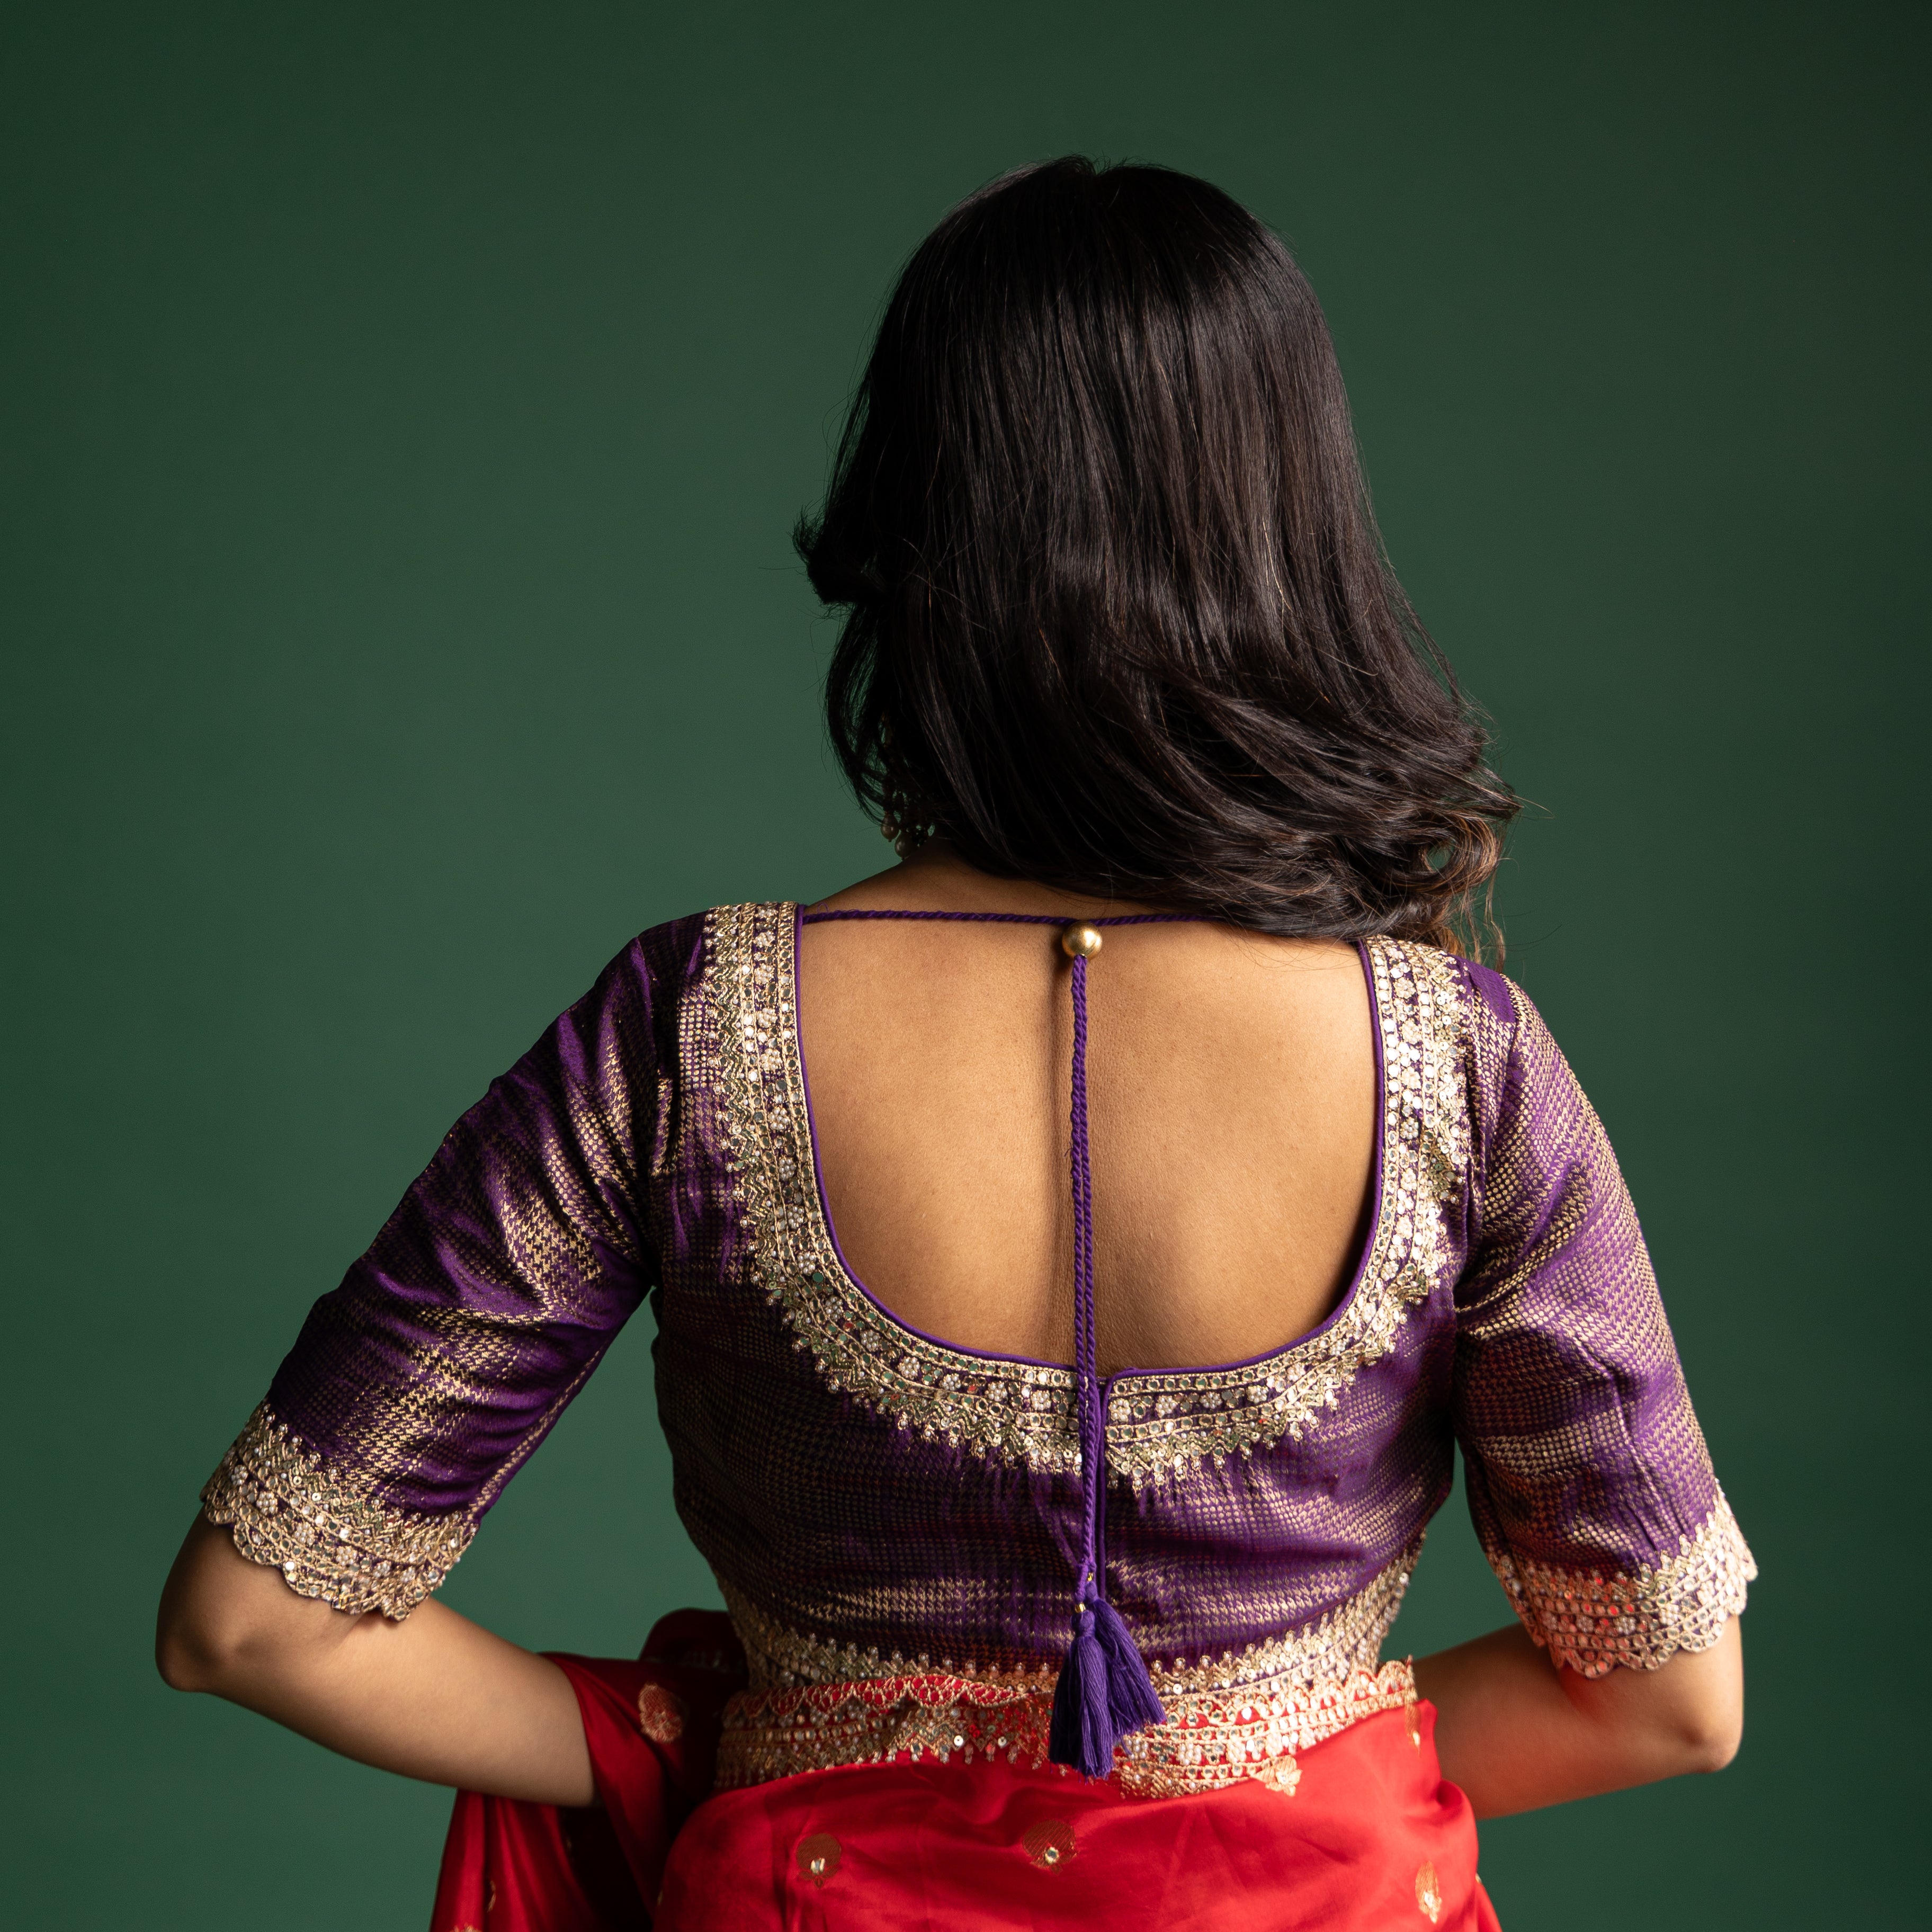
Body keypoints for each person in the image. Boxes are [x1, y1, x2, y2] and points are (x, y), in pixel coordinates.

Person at [156, 158, 1751, 1929]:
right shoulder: (1464, 1067)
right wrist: (1273, 1765)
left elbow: (253, 1622)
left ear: (913, 530)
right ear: (1289, 535)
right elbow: (1668, 1699)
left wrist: (701, 1748)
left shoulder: (692, 1031)